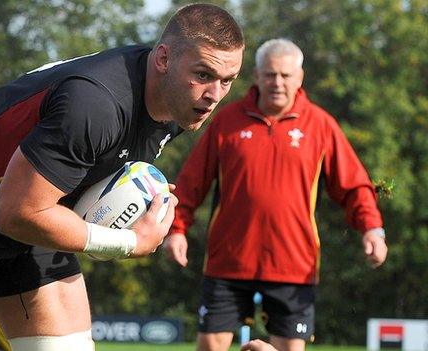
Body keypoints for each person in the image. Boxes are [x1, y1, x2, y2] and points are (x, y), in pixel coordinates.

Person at [0, 4, 244, 351]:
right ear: (163, 59)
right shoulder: (95, 105)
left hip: (42, 207)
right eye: (203, 74)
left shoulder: (179, 105)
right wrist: (129, 243)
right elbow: (13, 213)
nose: (214, 95)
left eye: (227, 80)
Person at [163, 38, 388, 351]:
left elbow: (354, 185)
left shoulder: (321, 125)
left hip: (293, 263)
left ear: (300, 78)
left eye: (285, 75)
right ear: (256, 76)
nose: (277, 82)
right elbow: (191, 183)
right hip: (229, 260)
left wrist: (372, 229)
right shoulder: (228, 121)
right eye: (270, 74)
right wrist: (176, 230)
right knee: (210, 346)